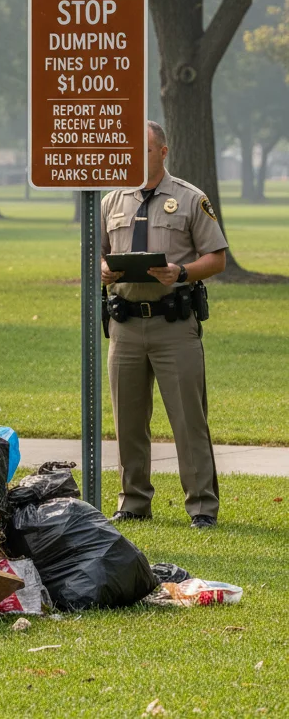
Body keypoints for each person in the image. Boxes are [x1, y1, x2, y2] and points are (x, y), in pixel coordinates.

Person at [101, 120, 228, 529]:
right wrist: (103, 270)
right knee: (127, 421)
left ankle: (202, 507)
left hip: (174, 323)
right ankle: (133, 501)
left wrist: (182, 272)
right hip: (125, 325)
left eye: (144, 150)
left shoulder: (190, 198)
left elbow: (217, 258)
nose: (135, 159)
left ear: (162, 152)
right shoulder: (112, 200)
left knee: (189, 419)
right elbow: (97, 254)